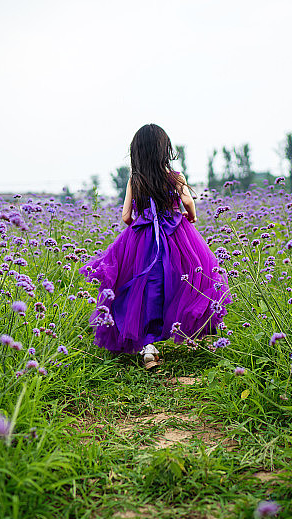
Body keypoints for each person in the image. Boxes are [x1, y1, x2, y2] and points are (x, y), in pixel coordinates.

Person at [80, 124, 232, 368]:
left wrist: (142, 221)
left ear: (137, 151)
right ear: (164, 149)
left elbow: (126, 216)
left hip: (142, 238)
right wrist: (191, 216)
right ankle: (199, 333)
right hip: (176, 235)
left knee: (143, 287)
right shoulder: (175, 177)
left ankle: (148, 347)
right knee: (189, 279)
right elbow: (187, 202)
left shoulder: (135, 180)